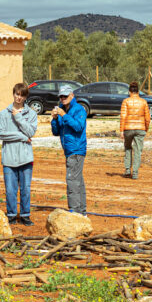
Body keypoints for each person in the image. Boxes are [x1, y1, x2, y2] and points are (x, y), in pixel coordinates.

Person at [0, 83, 38, 225]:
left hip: (26, 158)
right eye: (17, 94)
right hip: (9, 158)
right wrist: (21, 137)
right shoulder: (3, 114)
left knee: (26, 188)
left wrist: (19, 118)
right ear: (13, 94)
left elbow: (31, 132)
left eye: (22, 95)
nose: (19, 97)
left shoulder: (32, 114)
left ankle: (25, 215)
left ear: (26, 97)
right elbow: (2, 134)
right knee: (10, 189)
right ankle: (12, 214)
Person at [50, 86, 87, 215]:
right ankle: (81, 211)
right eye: (61, 96)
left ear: (72, 95)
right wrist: (54, 119)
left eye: (65, 96)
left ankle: (75, 212)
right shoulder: (62, 110)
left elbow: (78, 126)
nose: (63, 99)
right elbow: (56, 132)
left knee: (72, 181)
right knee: (78, 181)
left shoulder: (79, 109)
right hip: (69, 150)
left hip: (76, 150)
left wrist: (64, 115)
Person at [119, 81, 150, 179]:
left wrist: (121, 130)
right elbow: (147, 118)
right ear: (138, 91)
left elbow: (123, 116)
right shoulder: (144, 102)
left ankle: (128, 170)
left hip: (128, 128)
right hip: (140, 128)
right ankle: (135, 173)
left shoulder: (126, 101)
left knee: (128, 148)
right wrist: (146, 128)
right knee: (138, 151)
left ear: (129, 92)